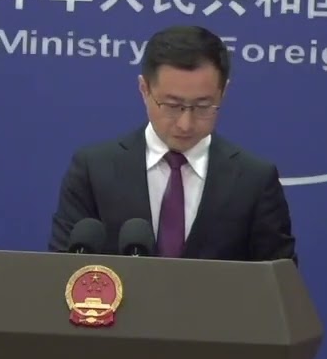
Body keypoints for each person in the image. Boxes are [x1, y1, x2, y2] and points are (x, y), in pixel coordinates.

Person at [48, 25, 298, 263]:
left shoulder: (254, 180)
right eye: (171, 105)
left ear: (223, 92)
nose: (185, 124)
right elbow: (61, 270)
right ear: (144, 89)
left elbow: (279, 282)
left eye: (203, 106)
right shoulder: (93, 170)